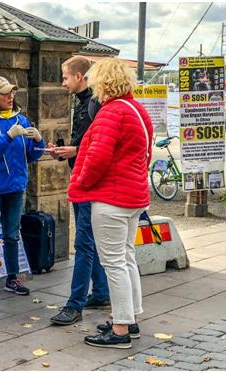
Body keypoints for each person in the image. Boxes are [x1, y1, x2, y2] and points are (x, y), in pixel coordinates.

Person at [68, 58, 153, 349]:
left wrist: (80, 184)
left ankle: (119, 331)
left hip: (111, 198)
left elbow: (97, 158)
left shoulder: (110, 112)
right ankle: (130, 319)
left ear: (102, 82)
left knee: (114, 263)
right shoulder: (136, 109)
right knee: (126, 258)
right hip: (134, 195)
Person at [48, 56, 110, 326]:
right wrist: (68, 152)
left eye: (65, 77)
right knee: (90, 240)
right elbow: (84, 141)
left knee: (83, 242)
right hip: (81, 175)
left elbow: (98, 146)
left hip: (88, 181)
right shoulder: (84, 102)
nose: (63, 83)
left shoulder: (96, 104)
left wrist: (75, 151)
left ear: (79, 77)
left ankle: (74, 305)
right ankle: (101, 291)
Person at [0, 76, 44, 301]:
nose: (10, 97)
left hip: (15, 186)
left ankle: (12, 278)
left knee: (12, 235)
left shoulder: (21, 120)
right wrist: (7, 136)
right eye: (5, 94)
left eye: (12, 93)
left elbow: (32, 155)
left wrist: (39, 141)